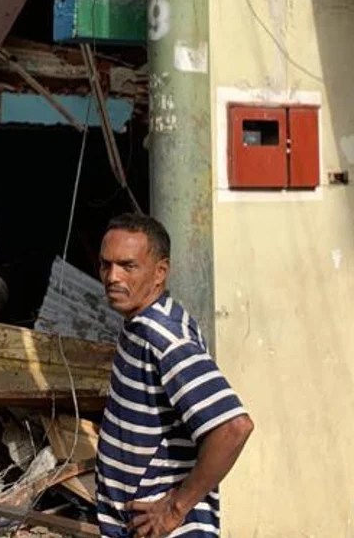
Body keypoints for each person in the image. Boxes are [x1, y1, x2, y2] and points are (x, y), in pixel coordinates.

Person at [95, 214, 254, 538]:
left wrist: (175, 508)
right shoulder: (142, 324)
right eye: (105, 265)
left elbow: (233, 427)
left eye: (128, 266)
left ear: (160, 272)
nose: (113, 277)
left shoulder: (166, 339)